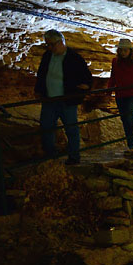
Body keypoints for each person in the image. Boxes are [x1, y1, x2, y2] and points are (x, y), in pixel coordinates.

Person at [34, 29, 91, 164]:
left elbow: (86, 77)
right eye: (47, 45)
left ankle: (74, 157)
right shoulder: (47, 56)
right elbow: (41, 74)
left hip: (67, 100)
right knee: (46, 127)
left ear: (60, 42)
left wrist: (86, 86)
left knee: (71, 129)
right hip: (49, 99)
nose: (49, 47)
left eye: (52, 45)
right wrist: (38, 90)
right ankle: (50, 155)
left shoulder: (74, 57)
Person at [107, 39, 133, 154]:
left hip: (132, 95)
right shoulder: (115, 62)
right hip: (120, 95)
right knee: (125, 120)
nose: (123, 53)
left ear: (130, 51)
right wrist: (109, 91)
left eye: (126, 50)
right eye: (121, 50)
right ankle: (131, 146)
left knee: (128, 118)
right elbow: (113, 77)